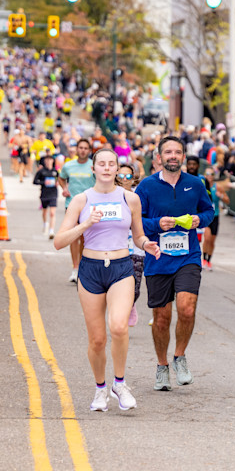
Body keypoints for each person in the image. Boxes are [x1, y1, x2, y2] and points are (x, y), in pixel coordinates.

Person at [52, 149, 160, 412]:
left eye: (112, 164)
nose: (107, 168)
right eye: (102, 163)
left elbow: (138, 235)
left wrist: (147, 245)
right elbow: (59, 241)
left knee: (119, 327)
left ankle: (120, 384)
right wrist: (85, 224)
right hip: (90, 268)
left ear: (117, 169)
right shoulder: (81, 200)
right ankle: (100, 389)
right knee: (97, 340)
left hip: (121, 268)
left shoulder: (130, 198)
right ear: (94, 168)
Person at [137, 136, 215, 391]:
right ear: (158, 157)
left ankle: (179, 356)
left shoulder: (195, 183)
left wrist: (198, 220)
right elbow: (136, 222)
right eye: (168, 152)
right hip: (158, 257)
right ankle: (162, 365)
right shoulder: (146, 187)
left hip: (188, 256)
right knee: (161, 318)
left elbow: (208, 212)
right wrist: (156, 224)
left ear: (183, 156)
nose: (173, 156)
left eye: (177, 152)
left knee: (187, 308)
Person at [59, 138, 95, 283]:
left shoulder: (94, 166)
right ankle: (75, 268)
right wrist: (64, 188)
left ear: (89, 150)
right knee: (73, 237)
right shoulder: (68, 166)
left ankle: (83, 267)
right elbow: (61, 178)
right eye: (80, 147)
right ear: (76, 149)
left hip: (89, 206)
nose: (83, 150)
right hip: (72, 205)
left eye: (86, 148)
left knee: (84, 238)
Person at [116, 163, 145, 324]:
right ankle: (121, 313)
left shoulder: (137, 197)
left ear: (133, 178)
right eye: (121, 175)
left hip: (136, 249)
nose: (124, 179)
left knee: (135, 286)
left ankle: (131, 304)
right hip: (116, 248)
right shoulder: (110, 196)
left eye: (128, 176)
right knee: (117, 285)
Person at [202, 166, 225, 270]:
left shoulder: (218, 187)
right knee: (206, 238)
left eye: (211, 174)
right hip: (207, 216)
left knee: (212, 241)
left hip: (215, 216)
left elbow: (227, 200)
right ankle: (203, 258)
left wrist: (221, 196)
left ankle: (209, 261)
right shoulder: (202, 186)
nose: (209, 176)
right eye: (207, 174)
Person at [33, 155, 60, 238]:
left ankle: (51, 231)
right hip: (44, 194)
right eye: (47, 160)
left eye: (50, 160)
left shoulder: (55, 171)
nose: (48, 162)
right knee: (45, 212)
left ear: (53, 161)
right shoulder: (41, 171)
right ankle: (45, 224)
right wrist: (43, 182)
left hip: (53, 194)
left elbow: (60, 179)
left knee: (52, 213)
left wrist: (57, 183)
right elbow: (35, 181)